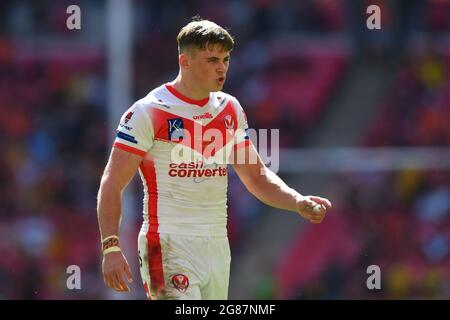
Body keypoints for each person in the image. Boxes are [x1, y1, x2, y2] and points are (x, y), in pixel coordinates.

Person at [97, 17, 332, 300]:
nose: (222, 68)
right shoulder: (148, 112)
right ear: (185, 62)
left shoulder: (229, 109)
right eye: (211, 60)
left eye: (225, 59)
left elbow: (256, 176)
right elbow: (112, 182)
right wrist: (111, 248)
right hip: (168, 243)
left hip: (217, 245)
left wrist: (297, 201)